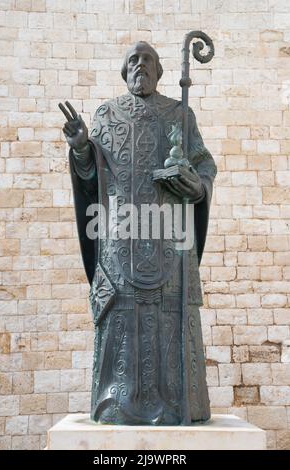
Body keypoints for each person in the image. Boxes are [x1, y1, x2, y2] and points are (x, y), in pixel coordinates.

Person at [59, 41, 217, 425]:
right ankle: (117, 404)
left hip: (170, 244)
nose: (140, 65)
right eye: (133, 60)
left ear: (160, 72)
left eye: (148, 60)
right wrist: (81, 147)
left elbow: (204, 167)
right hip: (120, 246)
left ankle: (178, 405)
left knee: (168, 320)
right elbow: (91, 178)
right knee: (123, 324)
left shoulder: (181, 115)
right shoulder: (106, 114)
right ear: (124, 71)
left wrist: (194, 184)